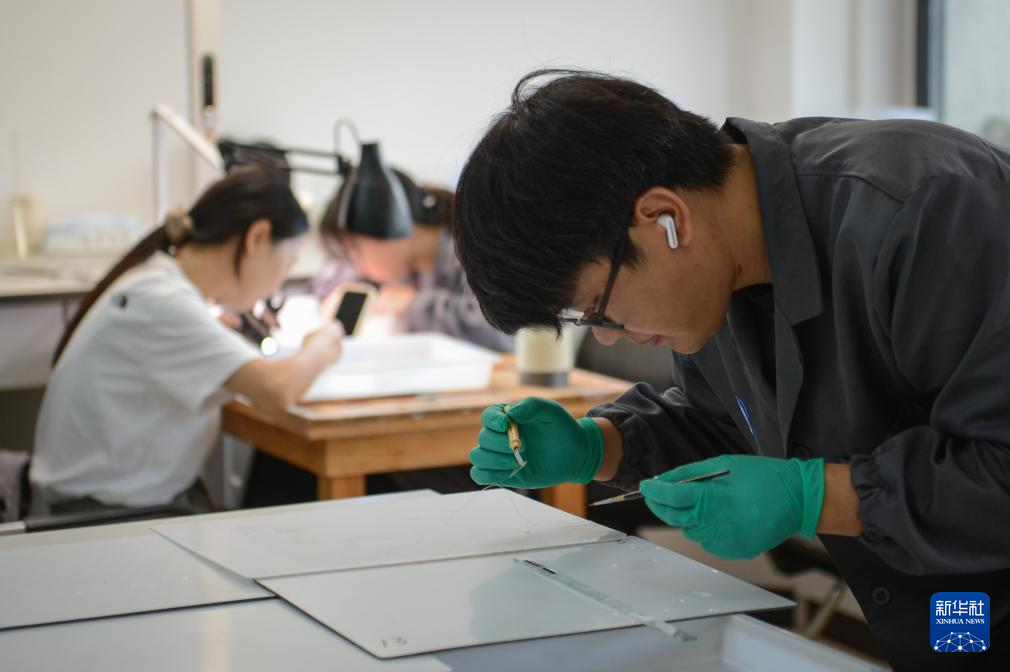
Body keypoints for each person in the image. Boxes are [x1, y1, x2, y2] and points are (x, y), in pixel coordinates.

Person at [454, 69, 1010, 669]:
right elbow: (728, 423)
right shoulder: (721, 265)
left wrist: (815, 497)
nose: (610, 336)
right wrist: (599, 445)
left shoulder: (927, 209)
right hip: (956, 614)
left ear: (665, 218)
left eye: (598, 309)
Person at [30, 166, 344, 515]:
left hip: (111, 501)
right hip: (109, 516)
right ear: (257, 238)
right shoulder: (163, 302)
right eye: (286, 265)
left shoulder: (155, 282)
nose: (276, 286)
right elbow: (278, 390)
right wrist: (325, 340)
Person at [316, 171, 512, 352]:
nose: (357, 266)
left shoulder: (478, 251)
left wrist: (412, 304)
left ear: (391, 221)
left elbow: (503, 332)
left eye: (354, 249)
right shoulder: (416, 269)